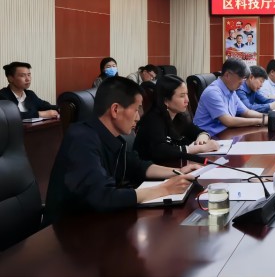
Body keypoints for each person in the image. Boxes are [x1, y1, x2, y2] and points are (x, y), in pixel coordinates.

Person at [44, 77, 199, 224]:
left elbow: (137, 166)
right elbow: (103, 196)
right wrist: (164, 189)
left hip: (97, 222)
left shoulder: (111, 137)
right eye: (136, 109)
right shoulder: (81, 139)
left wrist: (178, 172)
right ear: (115, 109)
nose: (138, 117)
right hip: (68, 230)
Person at [134, 74, 219, 164]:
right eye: (182, 96)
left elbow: (197, 131)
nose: (187, 100)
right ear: (166, 100)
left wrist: (202, 137)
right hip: (152, 169)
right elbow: (160, 151)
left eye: (187, 94)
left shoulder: (178, 116)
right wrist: (199, 148)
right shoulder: (153, 120)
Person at [192, 57, 269, 135]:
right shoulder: (213, 92)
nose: (242, 82)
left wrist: (268, 116)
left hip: (225, 133)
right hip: (208, 136)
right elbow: (228, 121)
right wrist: (261, 121)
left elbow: (246, 112)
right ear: (227, 75)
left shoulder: (232, 91)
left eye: (244, 78)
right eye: (241, 78)